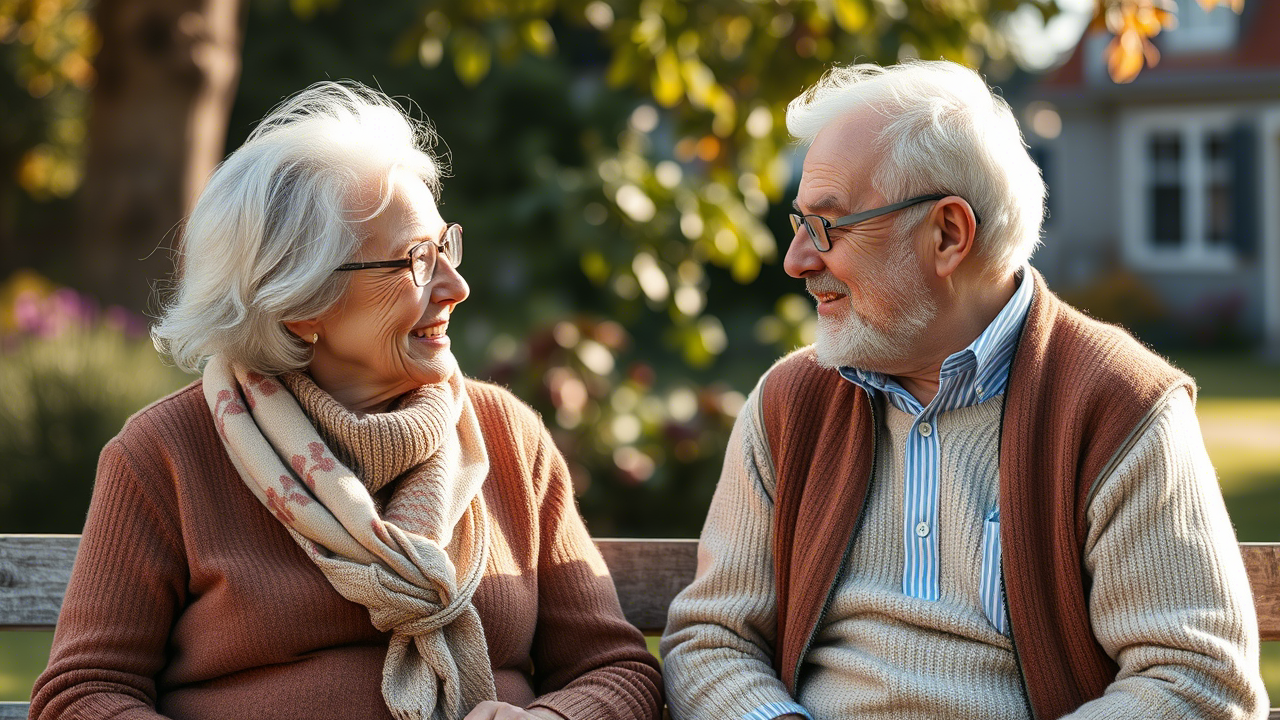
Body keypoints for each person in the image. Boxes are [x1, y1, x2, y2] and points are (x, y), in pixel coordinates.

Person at [30, 81, 663, 720]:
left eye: (446, 246)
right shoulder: (167, 455)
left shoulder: (508, 438)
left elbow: (616, 671)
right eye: (416, 260)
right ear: (300, 306)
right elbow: (83, 694)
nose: (455, 285)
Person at [661, 60, 1269, 720]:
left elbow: (1196, 678)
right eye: (798, 224)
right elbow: (712, 639)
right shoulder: (790, 403)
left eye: (828, 226)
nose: (798, 260)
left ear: (947, 234)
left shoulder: (1118, 407)